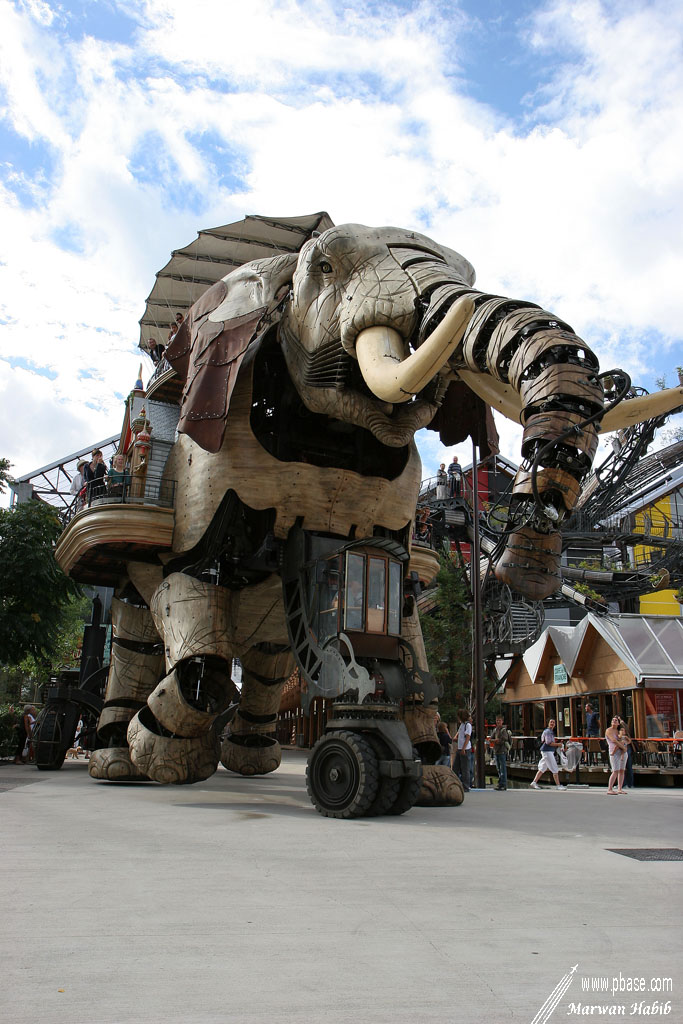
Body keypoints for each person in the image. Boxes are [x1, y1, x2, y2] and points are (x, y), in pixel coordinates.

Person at [530, 719, 567, 790]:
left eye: (553, 722)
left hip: (547, 751)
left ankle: (534, 782)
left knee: (542, 767)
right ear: (548, 723)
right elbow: (548, 742)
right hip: (547, 751)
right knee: (554, 767)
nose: (552, 723)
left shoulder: (550, 732)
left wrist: (557, 744)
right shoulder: (548, 732)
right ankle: (558, 785)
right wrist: (558, 744)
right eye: (551, 722)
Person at [605, 716, 628, 794]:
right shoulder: (608, 730)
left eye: (616, 720)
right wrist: (622, 747)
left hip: (621, 751)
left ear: (618, 723)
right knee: (615, 770)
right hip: (613, 751)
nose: (614, 721)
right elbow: (613, 740)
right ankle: (610, 788)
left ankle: (619, 788)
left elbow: (624, 738)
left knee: (622, 770)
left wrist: (623, 747)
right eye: (613, 720)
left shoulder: (619, 731)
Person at [490, 715, 511, 791]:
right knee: (498, 768)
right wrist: (495, 740)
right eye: (497, 720)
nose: (498, 722)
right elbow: (491, 739)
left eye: (499, 720)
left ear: (502, 721)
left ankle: (503, 784)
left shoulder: (503, 730)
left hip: (502, 751)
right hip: (496, 751)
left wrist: (497, 741)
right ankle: (500, 782)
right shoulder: (495, 730)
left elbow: (504, 739)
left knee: (503, 768)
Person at [452, 710, 472, 791]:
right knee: (455, 767)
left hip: (465, 749)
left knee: (465, 768)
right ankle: (455, 782)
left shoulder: (468, 725)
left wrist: (463, 748)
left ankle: (466, 786)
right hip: (460, 748)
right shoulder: (462, 725)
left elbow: (467, 737)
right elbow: (459, 735)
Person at [619, 718, 634, 788]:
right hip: (623, 750)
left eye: (623, 730)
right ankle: (624, 783)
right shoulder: (619, 737)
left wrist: (625, 743)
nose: (622, 731)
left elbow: (629, 741)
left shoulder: (625, 736)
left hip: (626, 750)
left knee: (627, 767)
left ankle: (629, 783)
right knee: (622, 768)